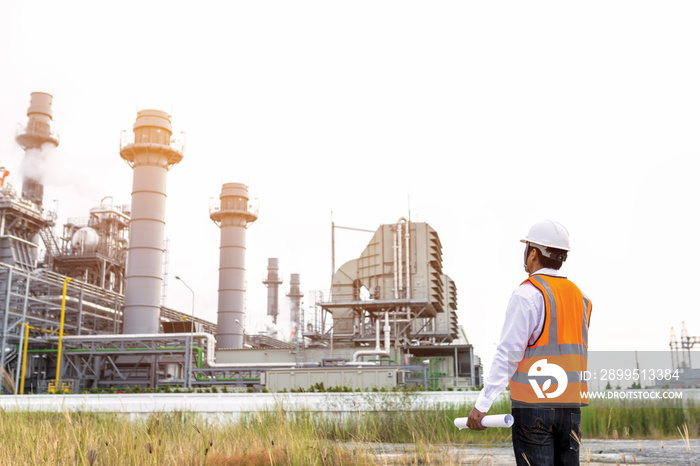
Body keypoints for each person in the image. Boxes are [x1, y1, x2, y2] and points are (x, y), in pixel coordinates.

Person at [466, 220, 592, 466]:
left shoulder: (528, 294)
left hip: (534, 408)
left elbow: (509, 354)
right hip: (571, 407)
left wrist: (482, 404)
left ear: (533, 252)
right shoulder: (582, 298)